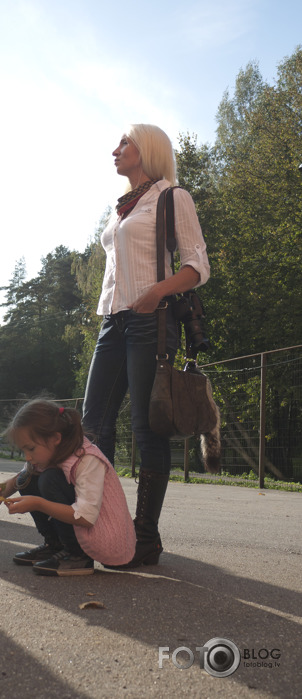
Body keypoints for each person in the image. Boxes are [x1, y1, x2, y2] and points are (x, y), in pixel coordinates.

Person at [82, 124, 210, 569]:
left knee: (147, 426)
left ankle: (145, 537)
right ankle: (99, 526)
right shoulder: (120, 209)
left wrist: (157, 292)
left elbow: (197, 265)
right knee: (92, 427)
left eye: (124, 142)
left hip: (149, 323)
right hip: (112, 324)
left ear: (146, 150)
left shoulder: (173, 197)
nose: (114, 150)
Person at [0, 399, 136, 576]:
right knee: (27, 477)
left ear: (56, 438)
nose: (27, 456)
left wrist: (38, 504)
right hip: (83, 524)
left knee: (48, 479)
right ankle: (55, 546)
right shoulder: (49, 454)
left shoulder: (87, 460)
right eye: (23, 451)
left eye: (31, 449)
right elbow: (17, 479)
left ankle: (77, 555)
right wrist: (0, 491)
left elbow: (86, 517)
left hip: (104, 535)